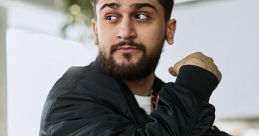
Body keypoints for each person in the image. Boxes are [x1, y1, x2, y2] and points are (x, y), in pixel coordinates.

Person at [40, 0, 230, 135]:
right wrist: (193, 86)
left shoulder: (165, 98)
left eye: (141, 16)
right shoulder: (69, 100)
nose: (125, 32)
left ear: (169, 30)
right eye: (111, 17)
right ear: (96, 31)